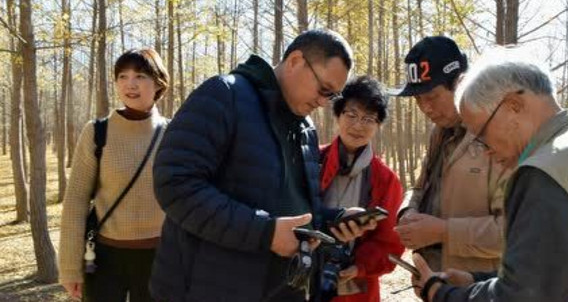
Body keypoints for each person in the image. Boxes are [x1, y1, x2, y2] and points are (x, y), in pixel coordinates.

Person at [413, 48, 568, 302]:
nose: (485, 150)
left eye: (482, 134)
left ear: (513, 105)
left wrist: (441, 294)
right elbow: (553, 275)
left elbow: (525, 296)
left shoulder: (544, 173)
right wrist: (475, 282)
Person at [149, 30, 374, 302]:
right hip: (207, 288)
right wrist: (266, 233)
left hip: (281, 289)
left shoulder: (305, 129)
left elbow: (291, 208)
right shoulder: (224, 95)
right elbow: (175, 184)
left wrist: (331, 220)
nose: (324, 102)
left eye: (333, 96)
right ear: (295, 61)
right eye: (324, 89)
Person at [59, 48, 170, 301]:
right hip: (103, 259)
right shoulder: (97, 133)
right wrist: (69, 268)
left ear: (158, 84)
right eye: (122, 76)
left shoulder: (173, 134)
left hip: (161, 258)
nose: (130, 84)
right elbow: (76, 201)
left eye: (140, 76)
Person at [390, 36, 508, 274]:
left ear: (461, 84)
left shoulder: (500, 136)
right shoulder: (440, 133)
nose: (426, 108)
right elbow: (420, 187)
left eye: (432, 97)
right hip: (439, 285)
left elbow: (514, 232)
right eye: (418, 100)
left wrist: (443, 231)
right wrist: (408, 212)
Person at [318, 76, 404, 302]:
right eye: (351, 115)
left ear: (378, 125)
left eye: (368, 118)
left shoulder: (386, 179)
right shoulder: (312, 159)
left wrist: (359, 267)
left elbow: (390, 243)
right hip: (305, 279)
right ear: (337, 115)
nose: (358, 126)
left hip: (357, 292)